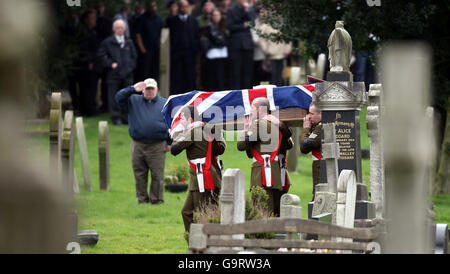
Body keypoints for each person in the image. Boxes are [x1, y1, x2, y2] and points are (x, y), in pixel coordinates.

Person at [170, 105, 226, 234]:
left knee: (203, 213)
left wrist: (179, 135)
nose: (181, 122)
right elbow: (222, 147)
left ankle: (203, 244)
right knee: (188, 212)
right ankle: (196, 243)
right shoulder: (207, 131)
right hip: (212, 176)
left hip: (202, 177)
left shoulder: (194, 132)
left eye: (182, 119)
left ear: (190, 119)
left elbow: (174, 149)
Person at [115, 79, 172, 205]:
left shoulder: (164, 103)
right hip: (138, 144)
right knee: (139, 174)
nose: (150, 91)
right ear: (142, 90)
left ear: (157, 89)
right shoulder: (133, 100)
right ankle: (142, 200)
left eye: (152, 89)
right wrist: (132, 89)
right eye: (147, 89)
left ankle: (157, 200)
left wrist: (169, 142)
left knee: (157, 174)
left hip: (158, 144)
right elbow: (118, 97)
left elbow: (171, 123)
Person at [237, 97, 293, 217]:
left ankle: (265, 233)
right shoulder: (277, 125)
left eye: (252, 108)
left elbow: (241, 145)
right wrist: (280, 124)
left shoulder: (258, 124)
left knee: (262, 210)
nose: (250, 111)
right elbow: (289, 144)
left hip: (261, 174)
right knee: (275, 208)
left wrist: (246, 130)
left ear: (259, 109)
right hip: (276, 173)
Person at [97, 19, 137, 125]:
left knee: (127, 96)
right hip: (113, 74)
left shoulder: (129, 41)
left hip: (127, 74)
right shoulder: (107, 42)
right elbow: (101, 55)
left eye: (122, 27)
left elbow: (134, 56)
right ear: (113, 29)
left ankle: (126, 117)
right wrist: (111, 64)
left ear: (124, 29)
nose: (120, 29)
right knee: (113, 96)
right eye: (117, 27)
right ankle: (115, 117)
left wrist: (130, 67)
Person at [166, 0, 199, 95]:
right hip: (176, 56)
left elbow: (196, 37)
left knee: (190, 79)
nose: (184, 8)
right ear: (178, 7)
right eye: (182, 6)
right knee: (177, 79)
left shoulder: (193, 21)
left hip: (190, 55)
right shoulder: (171, 21)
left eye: (186, 6)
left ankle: (191, 103)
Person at [72, 8, 100, 117]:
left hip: (93, 64)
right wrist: (89, 60)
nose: (94, 20)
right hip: (86, 65)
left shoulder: (93, 32)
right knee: (86, 88)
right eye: (92, 18)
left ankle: (90, 108)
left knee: (92, 88)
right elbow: (84, 48)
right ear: (86, 20)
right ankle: (87, 110)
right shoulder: (83, 33)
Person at [257, 10, 292, 87]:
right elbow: (262, 40)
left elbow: (288, 39)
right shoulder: (265, 26)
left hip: (282, 54)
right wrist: (266, 50)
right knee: (271, 76)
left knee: (280, 75)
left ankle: (278, 91)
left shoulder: (283, 26)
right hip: (271, 55)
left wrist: (288, 49)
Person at [226, 0, 256, 89]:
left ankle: (247, 92)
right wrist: (243, 25)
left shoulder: (250, 10)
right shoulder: (231, 10)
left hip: (247, 45)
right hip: (235, 45)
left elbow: (252, 23)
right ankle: (236, 93)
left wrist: (247, 9)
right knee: (235, 72)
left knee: (248, 71)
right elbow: (230, 26)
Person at [135, 1, 164, 82]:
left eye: (154, 6)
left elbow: (163, 34)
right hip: (145, 52)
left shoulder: (159, 19)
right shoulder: (141, 19)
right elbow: (137, 34)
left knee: (155, 74)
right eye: (151, 6)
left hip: (156, 51)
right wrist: (142, 50)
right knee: (144, 75)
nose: (153, 8)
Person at [299, 103, 322, 200]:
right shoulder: (317, 127)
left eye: (311, 114)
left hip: (322, 170)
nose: (308, 117)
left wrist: (306, 129)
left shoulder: (320, 128)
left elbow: (305, 146)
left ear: (320, 114)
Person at [201, 8, 228, 91]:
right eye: (214, 15)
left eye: (218, 15)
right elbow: (207, 41)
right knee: (212, 77)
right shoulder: (207, 28)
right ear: (211, 17)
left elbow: (224, 40)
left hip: (223, 55)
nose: (216, 17)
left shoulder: (224, 27)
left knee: (222, 77)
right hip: (212, 55)